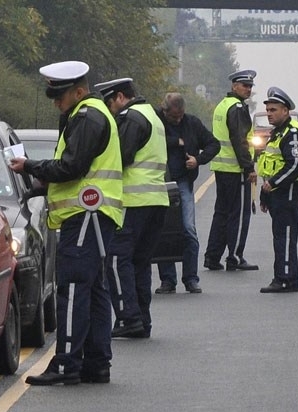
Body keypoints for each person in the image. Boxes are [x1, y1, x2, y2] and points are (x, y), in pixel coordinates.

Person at [9, 61, 123, 385]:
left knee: (72, 288)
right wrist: (40, 187)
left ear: (78, 90)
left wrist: (31, 165)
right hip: (94, 215)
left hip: (85, 215)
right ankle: (97, 363)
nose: (56, 102)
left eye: (59, 96)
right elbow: (76, 169)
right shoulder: (83, 114)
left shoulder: (87, 116)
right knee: (95, 289)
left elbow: (72, 166)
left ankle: (65, 364)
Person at [94, 78, 169, 338]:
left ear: (119, 97)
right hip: (156, 201)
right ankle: (141, 319)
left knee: (115, 258)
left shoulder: (131, 118)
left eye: (109, 102)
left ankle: (127, 317)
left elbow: (120, 157)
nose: (110, 108)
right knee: (140, 262)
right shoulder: (153, 116)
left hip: (133, 200)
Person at [155, 93, 220, 294]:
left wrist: (198, 160)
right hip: (160, 184)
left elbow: (213, 144)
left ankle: (191, 278)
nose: (178, 119)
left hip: (183, 182)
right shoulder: (155, 122)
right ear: (165, 111)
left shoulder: (192, 123)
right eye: (174, 116)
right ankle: (168, 280)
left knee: (188, 228)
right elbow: (149, 141)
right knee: (162, 230)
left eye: (181, 115)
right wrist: (176, 142)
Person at [257, 87, 298, 293]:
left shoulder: (293, 133)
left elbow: (295, 165)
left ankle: (286, 279)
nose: (269, 113)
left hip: (288, 191)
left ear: (285, 111)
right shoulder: (278, 133)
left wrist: (274, 183)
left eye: (274, 110)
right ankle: (282, 276)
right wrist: (265, 194)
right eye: (268, 110)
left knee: (285, 236)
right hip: (277, 193)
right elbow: (269, 163)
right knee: (280, 235)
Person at [204, 69, 258, 272]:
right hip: (235, 169)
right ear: (234, 86)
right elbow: (240, 140)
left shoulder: (222, 105)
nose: (249, 89)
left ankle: (212, 256)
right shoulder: (236, 108)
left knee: (221, 213)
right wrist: (249, 167)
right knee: (239, 214)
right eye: (245, 85)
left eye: (251, 86)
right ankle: (235, 256)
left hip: (221, 167)